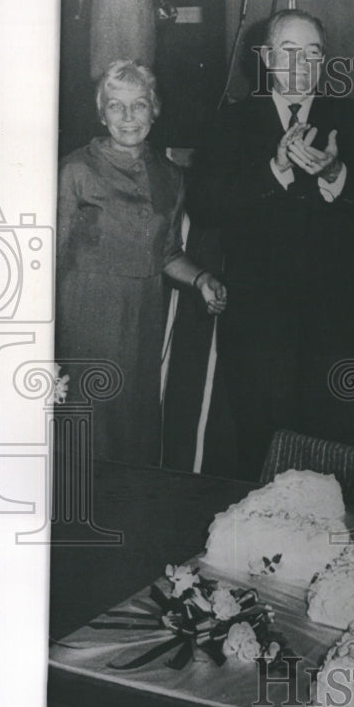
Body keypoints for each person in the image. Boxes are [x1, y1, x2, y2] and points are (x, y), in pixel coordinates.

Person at [186, 9, 354, 480]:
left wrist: (335, 173)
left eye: (313, 54)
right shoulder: (229, 121)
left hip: (336, 329)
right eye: (290, 53)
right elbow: (206, 206)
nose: (302, 65)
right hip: (258, 331)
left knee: (334, 468)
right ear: (267, 59)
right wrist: (275, 173)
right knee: (263, 460)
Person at [56, 60, 227, 466]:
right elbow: (47, 259)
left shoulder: (169, 174)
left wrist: (201, 278)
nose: (129, 117)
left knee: (134, 435)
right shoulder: (75, 170)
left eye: (140, 105)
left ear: (155, 109)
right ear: (101, 113)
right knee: (86, 435)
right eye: (116, 105)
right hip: (85, 322)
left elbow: (167, 252)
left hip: (142, 320)